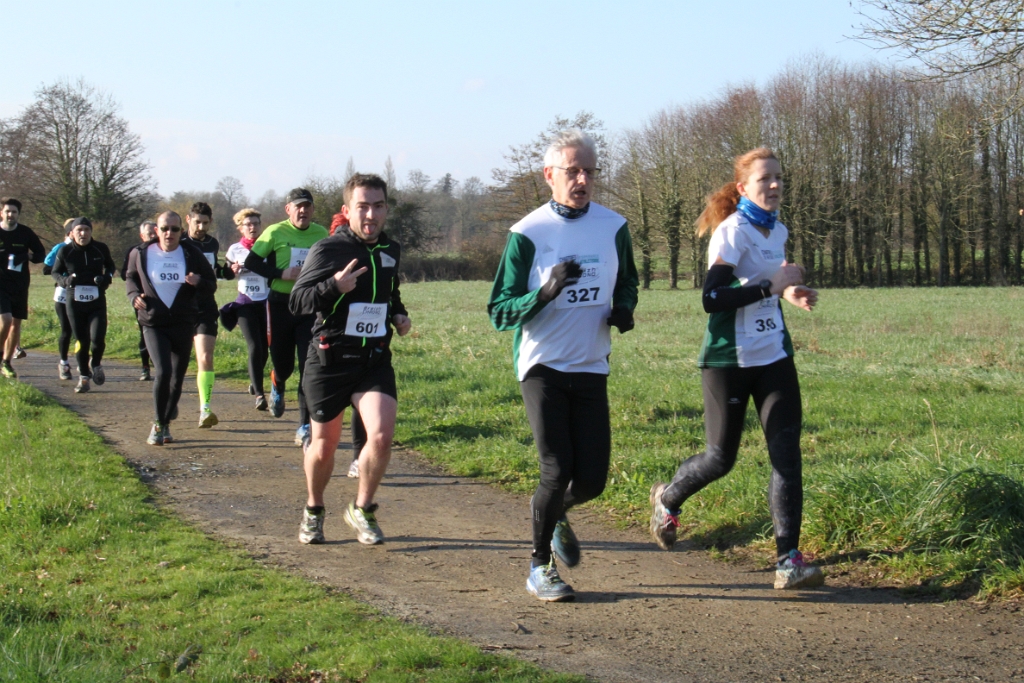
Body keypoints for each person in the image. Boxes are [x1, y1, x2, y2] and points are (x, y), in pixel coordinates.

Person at [648, 147, 824, 591]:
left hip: (773, 355)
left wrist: (788, 293)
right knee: (720, 459)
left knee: (786, 455)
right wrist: (770, 285)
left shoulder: (777, 229)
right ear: (744, 188)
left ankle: (788, 560)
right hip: (728, 359)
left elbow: (764, 281)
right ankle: (668, 498)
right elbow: (713, 299)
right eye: (765, 179)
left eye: (779, 177)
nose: (775, 185)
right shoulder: (731, 232)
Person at [488, 130, 639, 602]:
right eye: (572, 171)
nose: (582, 180)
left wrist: (624, 309)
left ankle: (555, 516)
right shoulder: (527, 233)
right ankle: (539, 568)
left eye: (589, 171)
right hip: (543, 366)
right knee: (556, 469)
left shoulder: (614, 226)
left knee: (591, 479)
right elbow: (499, 311)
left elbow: (628, 282)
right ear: (549, 175)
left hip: (591, 364)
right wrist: (545, 292)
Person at [289, 173, 411, 545]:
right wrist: (334, 286)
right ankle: (314, 509)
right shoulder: (328, 249)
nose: (370, 214)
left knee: (381, 435)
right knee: (324, 446)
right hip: (330, 359)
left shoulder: (390, 249)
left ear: (386, 209)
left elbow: (390, 290)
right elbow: (297, 301)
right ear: (347, 210)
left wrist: (398, 313)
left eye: (378, 206)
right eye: (363, 207)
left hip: (372, 358)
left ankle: (363, 508)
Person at [243, 188, 329, 446]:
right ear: (288, 209)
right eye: (298, 206)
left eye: (307, 206)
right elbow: (252, 262)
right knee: (284, 365)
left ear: (312, 210)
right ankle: (277, 382)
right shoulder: (274, 232)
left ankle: (304, 425)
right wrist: (281, 274)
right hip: (280, 304)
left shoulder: (321, 234)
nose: (303, 211)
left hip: (309, 307)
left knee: (308, 367)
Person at [125, 211, 217, 445]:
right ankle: (158, 424)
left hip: (183, 322)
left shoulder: (191, 253)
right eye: (165, 229)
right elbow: (130, 277)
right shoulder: (141, 252)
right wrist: (134, 295)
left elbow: (211, 284)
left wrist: (199, 282)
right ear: (157, 231)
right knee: (163, 371)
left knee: (177, 377)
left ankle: (166, 422)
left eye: (174, 229)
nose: (169, 233)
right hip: (153, 322)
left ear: (181, 231)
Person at [51, 217, 117, 393]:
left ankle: (96, 363)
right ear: (72, 233)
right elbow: (55, 272)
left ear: (91, 232)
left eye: (86, 230)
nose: (83, 233)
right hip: (74, 302)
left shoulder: (100, 248)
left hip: (96, 301)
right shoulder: (65, 251)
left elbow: (111, 267)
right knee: (82, 340)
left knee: (98, 339)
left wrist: (106, 278)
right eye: (79, 230)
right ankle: (84, 377)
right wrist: (65, 281)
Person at [183, 202, 233, 427]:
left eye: (205, 223)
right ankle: (169, 400)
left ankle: (205, 408)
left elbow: (214, 273)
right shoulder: (179, 242)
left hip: (205, 307)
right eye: (197, 222)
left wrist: (226, 271)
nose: (201, 227)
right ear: (188, 220)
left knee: (205, 357)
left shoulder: (212, 244)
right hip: (180, 309)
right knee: (177, 363)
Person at [222, 208, 270, 411]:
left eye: (256, 224)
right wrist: (231, 270)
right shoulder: (235, 250)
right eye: (248, 224)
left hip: (266, 303)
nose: (252, 227)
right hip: (245, 303)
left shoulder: (268, 247)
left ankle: (253, 378)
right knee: (254, 346)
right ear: (241, 228)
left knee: (265, 349)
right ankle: (259, 394)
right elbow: (225, 274)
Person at [0, 197, 46, 379]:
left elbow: (41, 254)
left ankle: (7, 362)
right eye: (7, 211)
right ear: (1, 213)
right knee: (5, 319)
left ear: (18, 214)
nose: (10, 215)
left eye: (14, 212)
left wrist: (27, 256)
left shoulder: (25, 233)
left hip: (19, 284)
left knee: (15, 323)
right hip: (0, 284)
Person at [121, 220, 158, 381]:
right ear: (142, 236)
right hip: (143, 300)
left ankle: (163, 365)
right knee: (145, 333)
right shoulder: (135, 251)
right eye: (149, 234)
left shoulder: (166, 251)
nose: (152, 236)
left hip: (164, 299)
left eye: (154, 233)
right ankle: (145, 367)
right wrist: (135, 293)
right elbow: (126, 275)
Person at [43, 219, 76, 380]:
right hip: (63, 292)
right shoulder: (60, 247)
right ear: (70, 233)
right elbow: (46, 268)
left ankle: (83, 362)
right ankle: (64, 363)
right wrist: (63, 274)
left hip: (81, 293)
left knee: (82, 331)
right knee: (66, 329)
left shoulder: (88, 248)